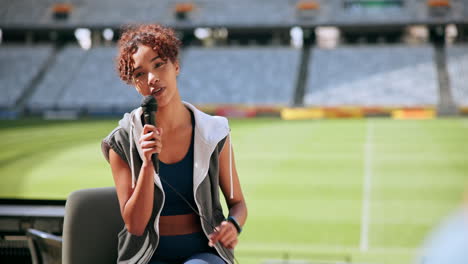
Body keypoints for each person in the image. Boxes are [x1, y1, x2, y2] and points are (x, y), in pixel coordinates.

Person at [101, 24, 247, 264]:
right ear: (134, 84)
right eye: (139, 74)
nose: (152, 78)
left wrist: (233, 225)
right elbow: (135, 226)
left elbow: (238, 203)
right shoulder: (122, 141)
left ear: (175, 65)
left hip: (205, 253)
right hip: (147, 256)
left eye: (159, 64)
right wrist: (147, 165)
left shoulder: (214, 132)